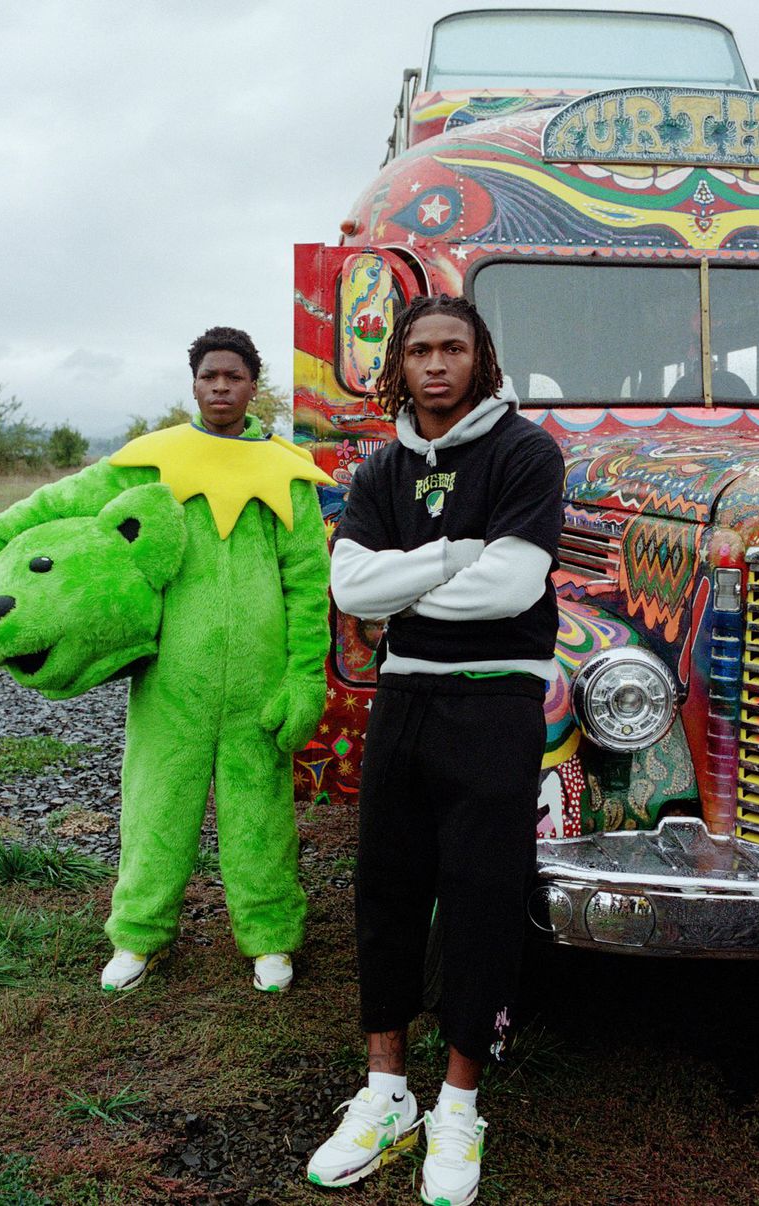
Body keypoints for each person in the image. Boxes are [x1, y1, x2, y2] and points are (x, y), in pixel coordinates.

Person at [0, 327, 332, 995]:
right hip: (171, 685)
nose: (221, 386)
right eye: (209, 376)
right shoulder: (151, 460)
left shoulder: (288, 473)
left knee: (262, 816)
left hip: (259, 682)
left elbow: (307, 582)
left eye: (235, 376)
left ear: (254, 385)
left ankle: (270, 936)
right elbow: (49, 505)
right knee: (155, 809)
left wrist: (305, 675)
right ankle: (137, 934)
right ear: (194, 383)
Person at [307, 296, 564, 1205]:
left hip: (496, 699)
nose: (437, 364)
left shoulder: (524, 453)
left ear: (481, 358)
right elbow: (349, 582)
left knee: (484, 896)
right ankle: (385, 1094)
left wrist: (407, 579)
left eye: (454, 347)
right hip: (406, 696)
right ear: (400, 363)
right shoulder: (380, 468)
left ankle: (458, 1103)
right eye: (420, 350)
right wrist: (456, 552)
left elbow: (512, 585)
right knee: (385, 887)